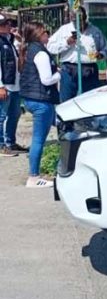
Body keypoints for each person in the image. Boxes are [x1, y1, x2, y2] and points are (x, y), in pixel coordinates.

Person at [19, 22, 60, 188]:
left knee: (63, 125)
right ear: (37, 35)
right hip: (41, 101)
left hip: (31, 98)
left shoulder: (30, 50)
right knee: (38, 140)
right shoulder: (41, 54)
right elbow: (46, 79)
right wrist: (59, 74)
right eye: (45, 32)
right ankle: (34, 177)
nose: (48, 35)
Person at [48, 7, 107, 102]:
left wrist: (100, 55)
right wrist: (66, 43)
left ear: (85, 18)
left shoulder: (95, 31)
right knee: (67, 102)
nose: (78, 24)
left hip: (89, 70)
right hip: (69, 69)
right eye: (74, 21)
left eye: (80, 20)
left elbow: (104, 49)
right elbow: (50, 47)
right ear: (71, 18)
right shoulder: (64, 30)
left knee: (90, 100)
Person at [0, 14, 26, 157]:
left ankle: (10, 142)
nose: (8, 26)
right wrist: (0, 86)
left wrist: (19, 40)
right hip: (6, 85)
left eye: (8, 24)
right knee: (2, 116)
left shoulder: (9, 41)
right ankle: (1, 145)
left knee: (14, 115)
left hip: (14, 84)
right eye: (5, 24)